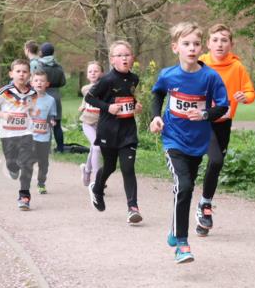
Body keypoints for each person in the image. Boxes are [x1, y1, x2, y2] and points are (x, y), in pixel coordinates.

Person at [149, 22, 229, 264]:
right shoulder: (168, 75)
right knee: (183, 185)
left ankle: (175, 230)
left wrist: (205, 115)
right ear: (176, 48)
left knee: (187, 187)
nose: (191, 48)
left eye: (195, 44)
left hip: (198, 141)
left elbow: (223, 105)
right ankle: (182, 244)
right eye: (186, 44)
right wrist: (155, 116)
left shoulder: (210, 77)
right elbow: (157, 94)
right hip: (173, 139)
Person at [194, 23, 255, 236]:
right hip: (203, 120)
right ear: (208, 44)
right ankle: (201, 205)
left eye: (224, 40)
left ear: (231, 44)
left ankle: (204, 208)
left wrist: (243, 97)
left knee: (215, 165)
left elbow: (250, 92)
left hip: (224, 122)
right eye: (215, 40)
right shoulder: (200, 64)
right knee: (215, 161)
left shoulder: (237, 67)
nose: (220, 44)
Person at [85, 40, 143, 224]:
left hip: (128, 131)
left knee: (128, 168)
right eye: (120, 55)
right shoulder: (107, 80)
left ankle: (132, 208)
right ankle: (97, 188)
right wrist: (107, 107)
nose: (124, 58)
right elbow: (90, 97)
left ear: (132, 58)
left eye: (127, 55)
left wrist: (136, 105)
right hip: (109, 130)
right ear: (112, 60)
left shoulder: (134, 78)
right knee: (110, 166)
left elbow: (129, 98)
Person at [0, 59, 37, 210]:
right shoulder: (5, 91)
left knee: (26, 164)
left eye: (24, 71)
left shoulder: (33, 93)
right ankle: (12, 169)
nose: (21, 74)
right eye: (18, 71)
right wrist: (2, 115)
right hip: (8, 134)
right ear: (11, 74)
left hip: (26, 132)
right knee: (12, 163)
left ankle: (24, 195)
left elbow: (32, 110)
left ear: (29, 74)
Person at [29, 70, 59, 195]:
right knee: (29, 159)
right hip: (30, 135)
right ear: (31, 83)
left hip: (44, 136)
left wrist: (52, 121)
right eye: (36, 80)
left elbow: (52, 115)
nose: (39, 83)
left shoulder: (51, 100)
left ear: (47, 84)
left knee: (43, 162)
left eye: (42, 81)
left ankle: (41, 183)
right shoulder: (28, 98)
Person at [36, 42, 67, 153]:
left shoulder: (39, 66)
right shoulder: (58, 66)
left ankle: (46, 148)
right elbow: (63, 82)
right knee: (57, 124)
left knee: (45, 123)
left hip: (44, 95)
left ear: (42, 52)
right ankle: (60, 148)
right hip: (56, 95)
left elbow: (36, 81)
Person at [78, 61, 103, 186]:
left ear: (102, 73)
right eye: (90, 71)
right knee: (97, 147)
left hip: (101, 124)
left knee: (95, 148)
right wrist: (82, 106)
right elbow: (86, 98)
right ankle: (98, 179)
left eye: (96, 71)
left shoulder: (106, 87)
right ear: (87, 75)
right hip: (87, 122)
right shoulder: (85, 89)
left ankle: (86, 170)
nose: (93, 73)